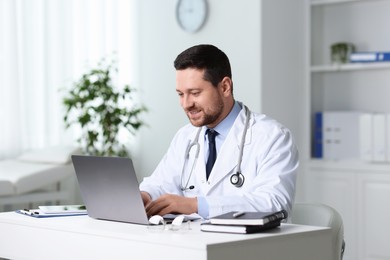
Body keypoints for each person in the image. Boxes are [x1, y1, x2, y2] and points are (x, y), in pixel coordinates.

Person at [140, 44, 299, 219]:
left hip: (247, 244)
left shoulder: (272, 137)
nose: (186, 104)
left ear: (225, 87)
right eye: (180, 94)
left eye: (194, 93)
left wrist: (196, 205)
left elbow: (274, 202)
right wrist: (145, 196)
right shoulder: (185, 137)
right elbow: (161, 183)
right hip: (192, 242)